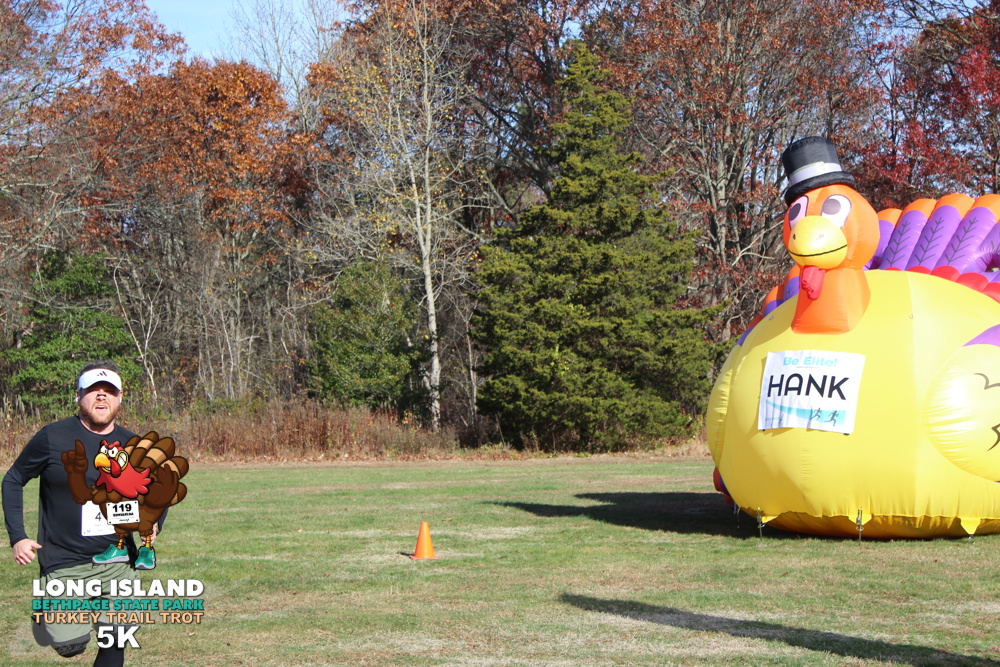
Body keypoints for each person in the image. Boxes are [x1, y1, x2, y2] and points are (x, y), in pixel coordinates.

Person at [2, 360, 152, 666]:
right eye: (93, 390)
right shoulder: (52, 437)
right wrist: (18, 537)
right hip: (64, 562)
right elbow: (13, 479)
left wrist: (155, 522)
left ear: (120, 398)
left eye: (109, 390)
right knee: (70, 645)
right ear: (78, 396)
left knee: (117, 635)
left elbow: (155, 492)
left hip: (118, 562)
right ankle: (51, 614)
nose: (101, 396)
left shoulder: (133, 444)